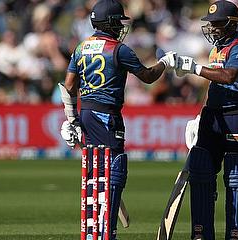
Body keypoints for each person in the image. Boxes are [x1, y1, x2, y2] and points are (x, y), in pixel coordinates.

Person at [58, 0, 176, 239]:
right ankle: (107, 230)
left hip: (87, 113)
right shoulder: (118, 49)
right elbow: (148, 76)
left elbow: (69, 86)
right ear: (110, 23)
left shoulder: (81, 47)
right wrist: (166, 62)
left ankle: (97, 231)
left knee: (95, 171)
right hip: (107, 116)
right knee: (115, 167)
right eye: (119, 22)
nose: (121, 27)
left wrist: (71, 118)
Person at [177, 1, 238, 239]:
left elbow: (228, 76)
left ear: (232, 24)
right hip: (212, 118)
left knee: (236, 177)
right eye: (210, 24)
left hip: (235, 117)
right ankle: (201, 234)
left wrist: (194, 68)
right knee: (200, 171)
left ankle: (236, 234)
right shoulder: (216, 50)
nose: (212, 28)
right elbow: (214, 85)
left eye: (217, 24)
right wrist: (202, 113)